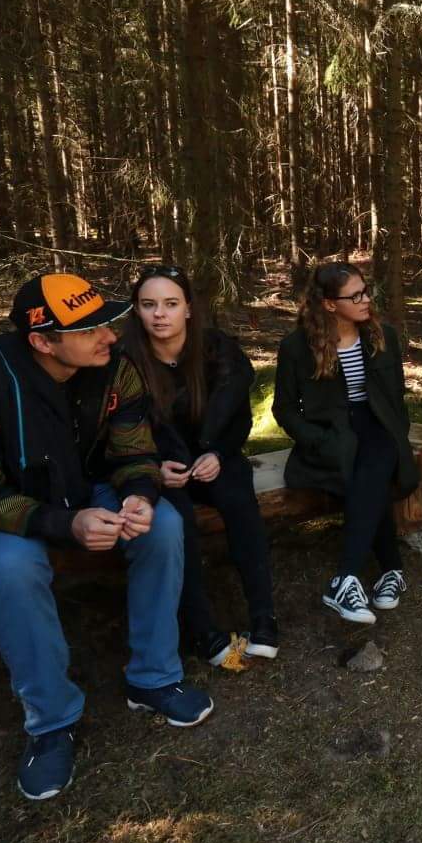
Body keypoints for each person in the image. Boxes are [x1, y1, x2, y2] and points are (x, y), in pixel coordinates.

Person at [0, 272, 213, 802]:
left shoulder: (114, 369)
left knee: (163, 525)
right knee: (12, 567)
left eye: (108, 321)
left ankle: (153, 678)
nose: (111, 336)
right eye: (90, 329)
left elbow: (133, 453)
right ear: (42, 341)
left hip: (82, 490)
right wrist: (64, 524)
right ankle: (50, 721)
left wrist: (139, 495)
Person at [122, 264, 278, 667]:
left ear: (188, 309)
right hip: (158, 471)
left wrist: (219, 454)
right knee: (179, 523)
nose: (160, 314)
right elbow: (121, 433)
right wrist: (155, 468)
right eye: (149, 305)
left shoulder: (214, 349)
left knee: (239, 497)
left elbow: (237, 417)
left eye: (170, 304)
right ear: (137, 311)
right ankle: (201, 629)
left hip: (213, 460)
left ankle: (264, 617)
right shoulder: (125, 362)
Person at [272, 262, 420, 624]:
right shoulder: (296, 347)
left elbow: (395, 396)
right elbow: (284, 409)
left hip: (379, 425)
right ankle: (392, 570)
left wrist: (397, 431)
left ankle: (346, 576)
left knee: (377, 459)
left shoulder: (382, 335)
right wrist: (317, 440)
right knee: (364, 472)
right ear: (328, 304)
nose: (365, 299)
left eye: (365, 291)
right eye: (354, 295)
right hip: (333, 431)